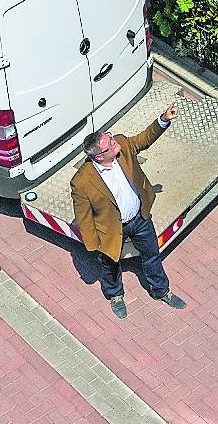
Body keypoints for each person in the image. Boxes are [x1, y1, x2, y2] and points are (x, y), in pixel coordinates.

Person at [70, 101, 188, 318]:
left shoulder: (122, 146)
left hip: (140, 219)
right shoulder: (82, 181)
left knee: (152, 255)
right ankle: (115, 295)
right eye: (110, 145)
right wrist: (94, 244)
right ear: (98, 156)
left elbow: (143, 140)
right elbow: (83, 217)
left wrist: (163, 119)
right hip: (113, 229)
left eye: (111, 139)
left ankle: (161, 291)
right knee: (110, 263)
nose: (116, 144)